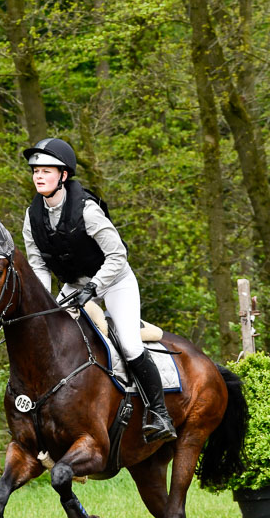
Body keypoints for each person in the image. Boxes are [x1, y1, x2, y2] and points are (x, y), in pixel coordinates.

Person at [22, 137, 177, 443]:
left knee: (130, 346)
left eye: (46, 170)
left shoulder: (87, 211)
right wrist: (43, 303)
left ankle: (159, 413)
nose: (38, 175)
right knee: (52, 338)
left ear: (63, 176)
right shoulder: (32, 216)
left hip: (115, 280)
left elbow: (118, 256)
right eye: (35, 170)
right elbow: (37, 263)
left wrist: (94, 288)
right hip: (75, 285)